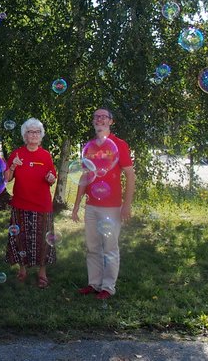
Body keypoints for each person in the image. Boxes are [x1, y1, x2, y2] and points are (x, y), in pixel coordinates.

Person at [72, 108, 135, 300]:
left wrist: (127, 204)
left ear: (111, 122)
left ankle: (108, 287)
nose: (99, 119)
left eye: (104, 117)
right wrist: (76, 206)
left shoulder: (119, 145)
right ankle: (94, 283)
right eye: (96, 117)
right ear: (93, 121)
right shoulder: (89, 147)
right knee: (92, 246)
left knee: (109, 247)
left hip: (112, 206)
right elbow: (85, 176)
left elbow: (130, 175)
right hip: (91, 205)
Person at [4, 118, 57, 288]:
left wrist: (51, 178)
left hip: (42, 206)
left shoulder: (46, 155)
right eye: (29, 132)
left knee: (43, 239)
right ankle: (22, 269)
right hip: (20, 204)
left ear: (41, 135)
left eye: (36, 132)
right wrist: (12, 166)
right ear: (24, 135)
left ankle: (42, 272)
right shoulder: (17, 154)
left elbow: (52, 177)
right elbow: (7, 179)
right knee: (20, 238)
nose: (33, 135)